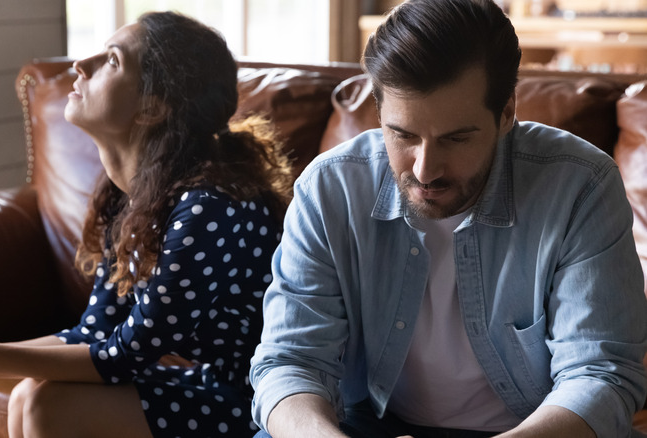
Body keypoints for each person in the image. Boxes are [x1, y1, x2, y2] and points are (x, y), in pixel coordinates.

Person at [0, 11, 293, 438]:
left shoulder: (209, 208)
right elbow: (93, 332)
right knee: (31, 394)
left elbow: (124, 356)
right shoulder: (135, 197)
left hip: (265, 405)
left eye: (112, 61)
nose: (81, 64)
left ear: (153, 106)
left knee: (47, 405)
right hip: (214, 387)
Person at [250, 0, 647, 437]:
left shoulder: (580, 185)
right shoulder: (329, 188)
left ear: (507, 113)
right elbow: (290, 361)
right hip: (365, 425)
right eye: (402, 135)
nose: (424, 169)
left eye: (456, 138)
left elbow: (600, 376)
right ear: (380, 113)